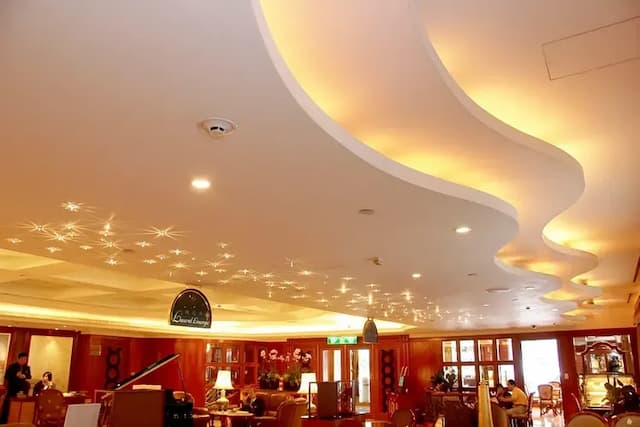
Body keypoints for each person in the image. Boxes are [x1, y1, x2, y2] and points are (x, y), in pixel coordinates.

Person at [0, 352, 32, 423]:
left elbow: (29, 376)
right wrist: (15, 375)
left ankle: (16, 421)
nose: (24, 361)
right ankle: (4, 421)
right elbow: (6, 376)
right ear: (19, 359)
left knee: (20, 406)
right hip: (12, 389)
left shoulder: (27, 368)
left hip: (22, 390)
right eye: (22, 359)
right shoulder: (12, 367)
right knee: (8, 406)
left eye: (25, 359)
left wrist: (24, 376)